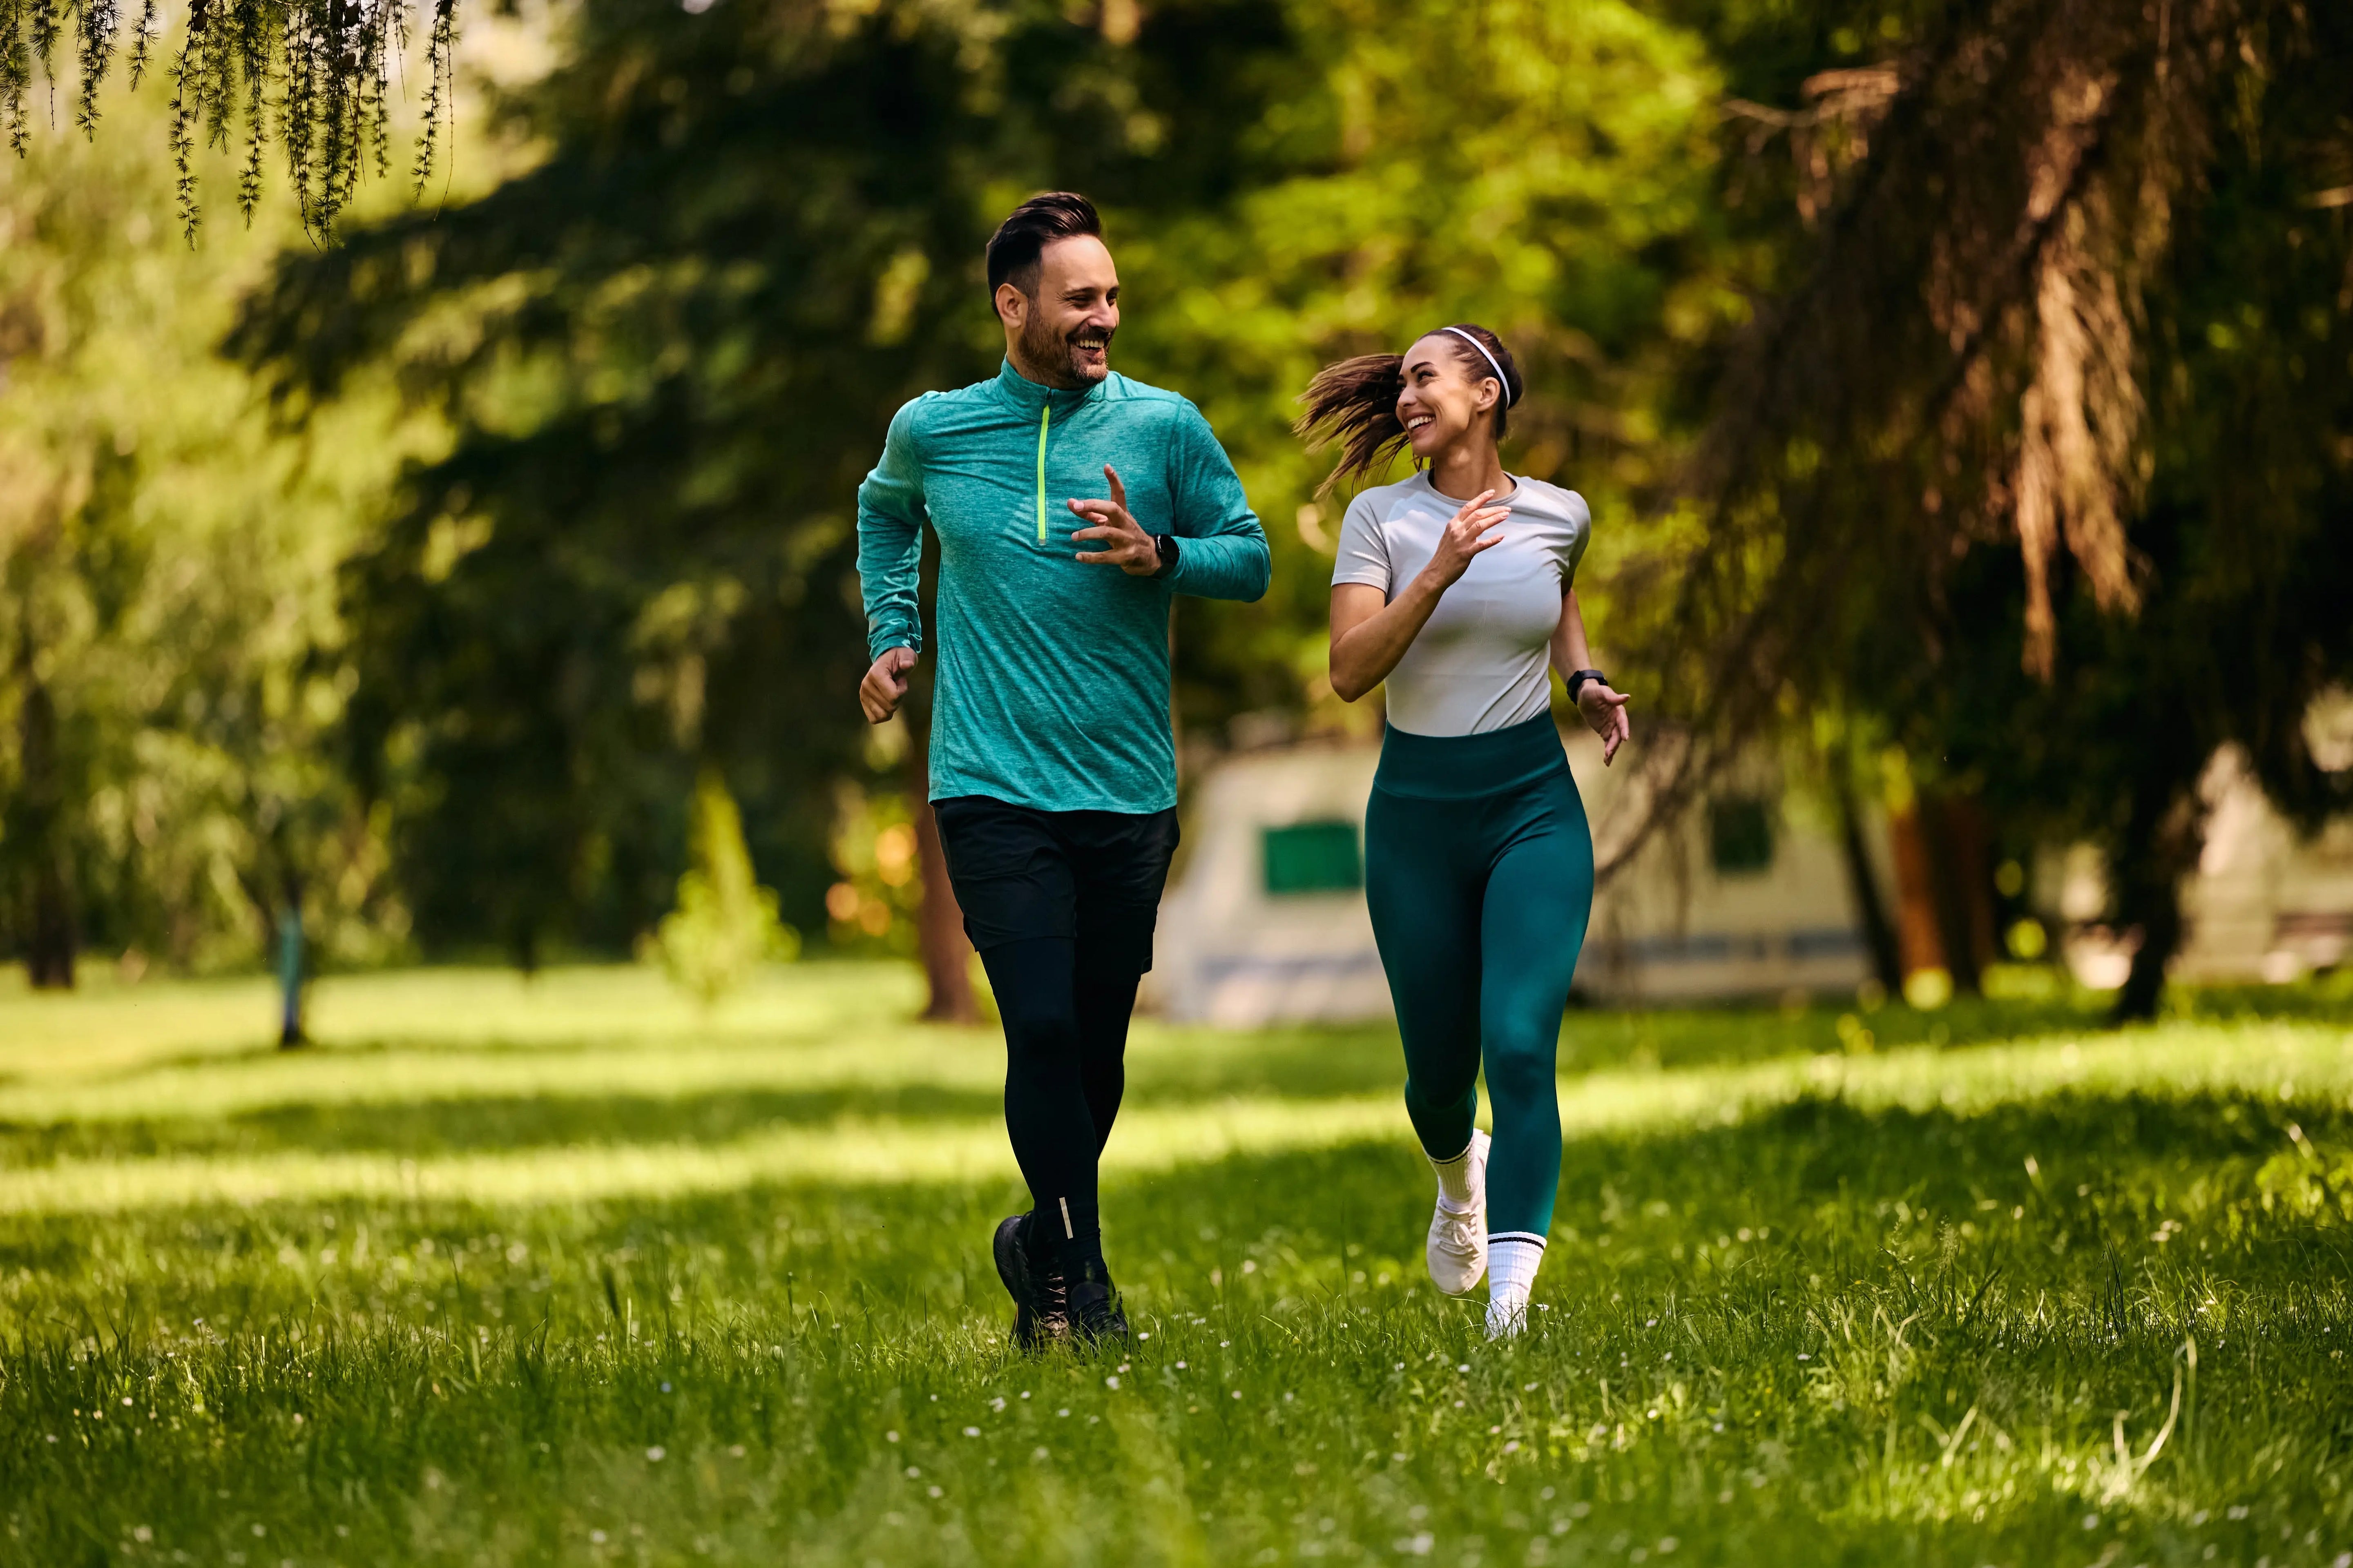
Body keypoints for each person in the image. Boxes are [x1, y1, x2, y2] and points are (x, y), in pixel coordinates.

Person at [855, 193, 1271, 1348]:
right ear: (1014, 305)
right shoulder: (935, 431)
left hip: (1127, 788)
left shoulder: (1165, 428)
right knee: (1037, 1029)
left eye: (1113, 297)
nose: (1107, 317)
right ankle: (1073, 1285)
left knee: (1095, 1048)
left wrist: (1164, 553)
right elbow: (883, 513)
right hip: (988, 785)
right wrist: (895, 630)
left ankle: (1042, 1239)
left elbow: (1252, 561)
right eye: (1083, 299)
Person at [1297, 324, 1632, 1339]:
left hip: (1532, 804)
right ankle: (1458, 1179)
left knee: (1520, 1046)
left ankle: (1510, 1311)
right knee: (1440, 1081)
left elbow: (1555, 591)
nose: (1405, 396)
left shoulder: (1560, 513)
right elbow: (1350, 672)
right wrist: (1435, 572)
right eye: (1400, 382)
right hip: (1417, 823)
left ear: (1486, 394)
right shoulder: (1381, 521)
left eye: (1425, 377)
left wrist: (1579, 678)